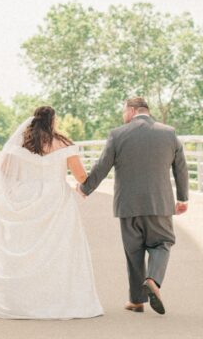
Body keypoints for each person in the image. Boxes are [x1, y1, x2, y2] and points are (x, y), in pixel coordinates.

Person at [0, 105, 103, 319]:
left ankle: (19, 301)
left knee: (24, 245)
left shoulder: (21, 144)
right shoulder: (64, 144)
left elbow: (4, 170)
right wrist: (83, 187)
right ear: (53, 121)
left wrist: (25, 178)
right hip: (56, 200)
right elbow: (81, 176)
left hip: (24, 196)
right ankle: (54, 300)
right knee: (58, 250)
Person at [78, 96, 189, 315]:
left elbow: (102, 165)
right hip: (159, 203)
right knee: (162, 243)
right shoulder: (169, 133)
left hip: (127, 205)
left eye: (123, 111)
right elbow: (181, 168)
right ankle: (153, 280)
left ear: (131, 110)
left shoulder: (117, 135)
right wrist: (182, 198)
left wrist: (85, 188)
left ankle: (137, 301)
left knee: (134, 251)